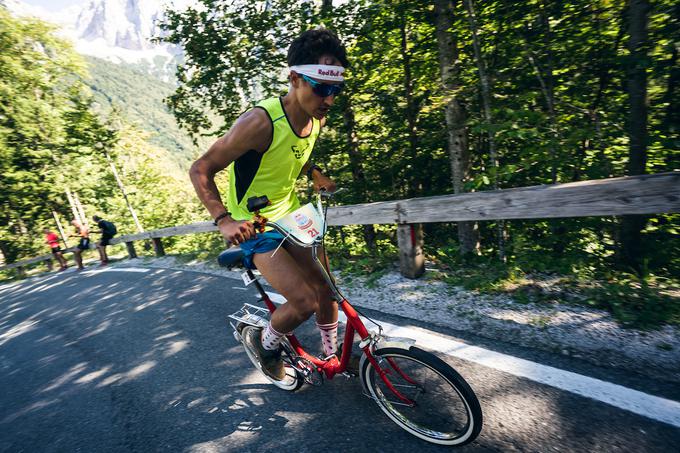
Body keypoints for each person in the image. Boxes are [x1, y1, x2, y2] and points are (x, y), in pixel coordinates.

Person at [190, 28, 348, 379]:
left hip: (291, 213)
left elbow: (292, 153)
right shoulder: (259, 123)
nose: (329, 99)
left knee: (327, 290)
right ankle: (266, 342)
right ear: (294, 78)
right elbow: (201, 168)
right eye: (321, 88)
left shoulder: (316, 116)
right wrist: (224, 220)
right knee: (304, 303)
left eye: (336, 89)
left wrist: (315, 172)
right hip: (255, 224)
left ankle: (331, 356)